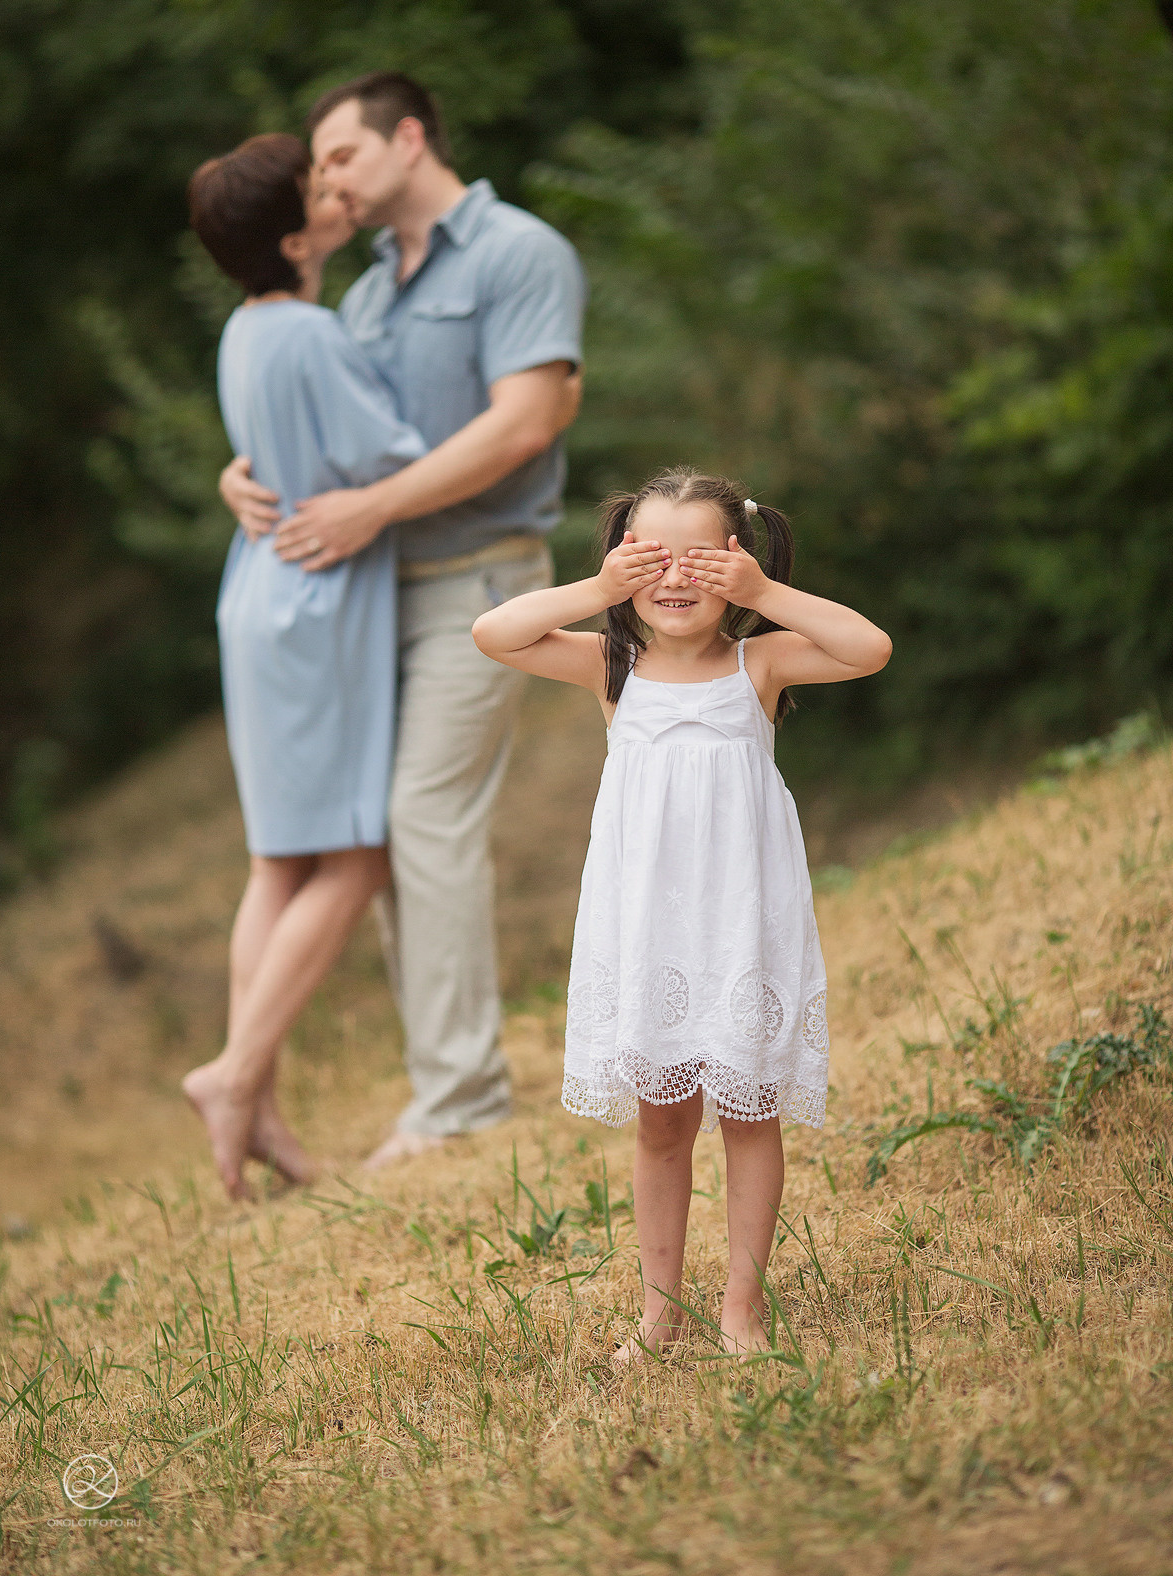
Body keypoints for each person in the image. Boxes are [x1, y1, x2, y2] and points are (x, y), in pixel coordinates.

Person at [219, 72, 585, 1168]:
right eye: (318, 167)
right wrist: (241, 475)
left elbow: (524, 424)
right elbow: (325, 431)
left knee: (423, 818)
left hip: (479, 583)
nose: (326, 180)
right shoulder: (366, 296)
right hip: (366, 601)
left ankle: (459, 1102)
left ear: (409, 138)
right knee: (374, 833)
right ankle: (436, 1085)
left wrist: (373, 504)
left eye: (340, 155)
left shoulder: (519, 253)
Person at [471, 467, 892, 1358]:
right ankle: (658, 1314)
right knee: (663, 1121)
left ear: (736, 561)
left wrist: (765, 595)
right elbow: (493, 633)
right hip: (649, 927)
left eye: (699, 560)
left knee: (748, 1111)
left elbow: (869, 648)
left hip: (740, 921)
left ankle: (742, 1308)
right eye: (650, 559)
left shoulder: (758, 663)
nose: (673, 579)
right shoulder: (611, 667)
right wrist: (597, 590)